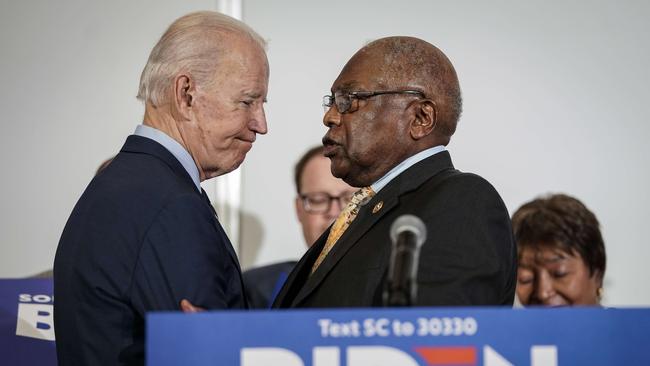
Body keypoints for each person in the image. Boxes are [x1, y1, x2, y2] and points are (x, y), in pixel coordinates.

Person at [53, 11, 268, 365]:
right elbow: (211, 358)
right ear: (185, 94)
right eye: (247, 101)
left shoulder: (127, 182)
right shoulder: (170, 206)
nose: (261, 124)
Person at [273, 36, 516, 308]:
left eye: (350, 99)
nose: (330, 116)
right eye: (332, 100)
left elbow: (438, 340)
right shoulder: (367, 208)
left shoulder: (461, 202)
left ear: (421, 118)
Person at [243, 146, 356, 308]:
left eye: (349, 199)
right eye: (318, 199)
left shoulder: (396, 281)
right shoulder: (256, 290)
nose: (335, 212)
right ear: (299, 209)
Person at [512, 194, 606, 306]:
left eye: (560, 274)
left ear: (598, 274)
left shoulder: (629, 323)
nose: (542, 293)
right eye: (526, 279)